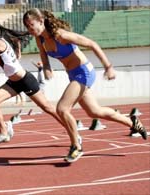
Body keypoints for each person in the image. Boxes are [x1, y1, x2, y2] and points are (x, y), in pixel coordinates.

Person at [23, 8, 148, 162]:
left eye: (32, 25)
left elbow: (92, 44)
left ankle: (76, 145)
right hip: (73, 75)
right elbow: (44, 57)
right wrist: (47, 69)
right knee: (95, 112)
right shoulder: (40, 39)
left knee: (62, 109)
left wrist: (108, 67)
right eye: (27, 27)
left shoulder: (61, 35)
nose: (30, 29)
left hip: (84, 72)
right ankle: (133, 122)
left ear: (41, 21)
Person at [0, 19, 64, 144]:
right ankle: (4, 132)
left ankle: (71, 128)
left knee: (48, 108)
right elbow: (14, 43)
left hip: (25, 80)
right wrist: (17, 50)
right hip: (13, 82)